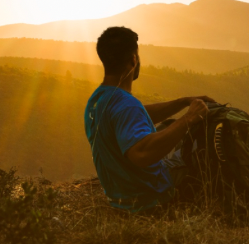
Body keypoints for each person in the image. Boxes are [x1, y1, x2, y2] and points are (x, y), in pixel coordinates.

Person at [84, 26, 214, 212]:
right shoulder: (126, 105)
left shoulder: (97, 100)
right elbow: (141, 154)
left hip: (120, 195)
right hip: (149, 196)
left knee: (168, 125)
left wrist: (182, 102)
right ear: (133, 60)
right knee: (202, 153)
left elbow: (133, 117)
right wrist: (189, 119)